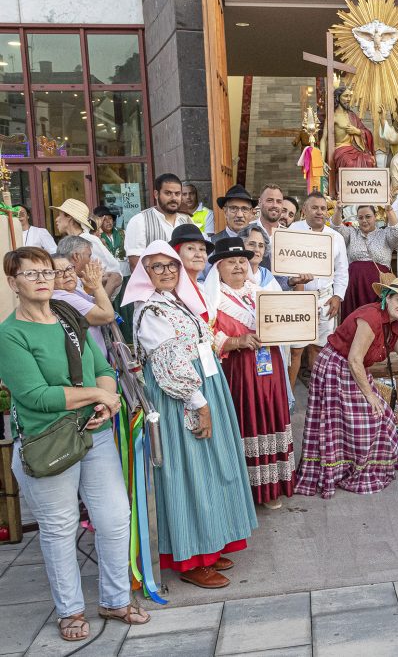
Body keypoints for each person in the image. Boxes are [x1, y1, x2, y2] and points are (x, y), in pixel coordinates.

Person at [0, 246, 149, 641]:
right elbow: (36, 396)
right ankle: (70, 610)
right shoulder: (9, 334)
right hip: (48, 440)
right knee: (59, 527)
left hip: (94, 432)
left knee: (115, 518)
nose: (43, 278)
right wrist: (99, 397)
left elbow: (100, 367)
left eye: (46, 271)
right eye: (31, 274)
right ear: (13, 283)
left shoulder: (68, 314)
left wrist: (108, 397)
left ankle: (115, 599)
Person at [125, 241, 257, 589]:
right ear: (145, 273)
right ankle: (190, 556)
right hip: (180, 397)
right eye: (158, 267)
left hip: (203, 385)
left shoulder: (178, 299)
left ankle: (210, 546)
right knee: (190, 473)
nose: (167, 272)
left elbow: (202, 339)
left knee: (210, 468)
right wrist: (198, 403)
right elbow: (170, 363)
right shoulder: (151, 310)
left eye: (171, 266)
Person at [295, 278, 398, 497]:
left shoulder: (395, 326)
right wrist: (370, 395)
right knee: (346, 421)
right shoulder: (371, 316)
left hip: (353, 367)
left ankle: (356, 468)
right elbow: (354, 359)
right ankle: (338, 471)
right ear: (387, 298)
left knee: (381, 417)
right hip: (336, 365)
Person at [204, 237, 296, 509]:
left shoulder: (261, 293)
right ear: (218, 267)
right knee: (247, 420)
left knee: (273, 416)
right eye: (230, 262)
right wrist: (236, 342)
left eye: (242, 261)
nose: (237, 266)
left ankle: (272, 487)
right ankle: (247, 490)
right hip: (239, 371)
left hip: (271, 368)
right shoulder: (212, 298)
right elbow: (204, 336)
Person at [288, 192, 349, 385]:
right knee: (296, 349)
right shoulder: (292, 231)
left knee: (318, 347)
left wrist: (338, 296)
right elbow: (283, 263)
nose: (319, 212)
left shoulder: (336, 237)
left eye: (323, 208)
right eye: (314, 208)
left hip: (325, 298)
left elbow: (341, 270)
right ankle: (288, 398)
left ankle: (316, 392)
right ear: (304, 210)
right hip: (298, 298)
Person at [335, 202, 398, 324]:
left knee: (377, 321)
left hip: (378, 287)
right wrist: (338, 209)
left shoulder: (385, 234)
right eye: (360, 217)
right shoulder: (351, 233)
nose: (364, 220)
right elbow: (336, 228)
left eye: (368, 216)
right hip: (353, 287)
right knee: (353, 322)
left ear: (375, 216)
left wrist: (389, 209)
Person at [51, 198, 122, 297]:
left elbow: (115, 274)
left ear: (69, 216)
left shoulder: (88, 240)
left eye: (59, 215)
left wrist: (101, 301)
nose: (56, 219)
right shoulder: (69, 242)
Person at [50, 249, 116, 355]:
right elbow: (107, 315)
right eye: (58, 273)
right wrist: (97, 286)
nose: (67, 275)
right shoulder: (61, 297)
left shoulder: (74, 289)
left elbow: (99, 304)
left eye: (69, 269)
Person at [124, 173, 195, 271]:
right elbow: (135, 264)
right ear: (156, 194)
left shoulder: (186, 221)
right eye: (168, 193)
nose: (174, 198)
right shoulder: (140, 221)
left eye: (177, 194)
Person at [240, 224, 277, 289]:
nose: (257, 249)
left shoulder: (267, 276)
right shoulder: (234, 275)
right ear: (241, 246)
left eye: (261, 246)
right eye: (251, 244)